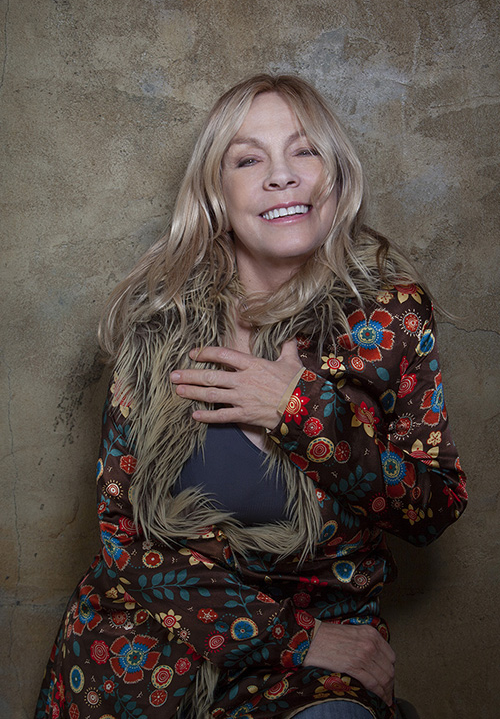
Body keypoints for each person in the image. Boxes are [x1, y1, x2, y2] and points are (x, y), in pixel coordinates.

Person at [35, 74, 467, 719]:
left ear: (336, 176)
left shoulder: (391, 319)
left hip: (316, 666)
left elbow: (433, 509)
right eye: (248, 159)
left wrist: (304, 414)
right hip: (140, 653)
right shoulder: (159, 325)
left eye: (304, 151)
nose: (281, 176)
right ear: (217, 192)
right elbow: (122, 536)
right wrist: (291, 638)